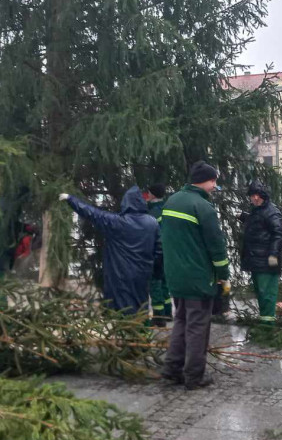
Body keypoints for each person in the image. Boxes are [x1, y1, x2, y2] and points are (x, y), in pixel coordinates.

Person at [160, 161, 228, 390]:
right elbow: (216, 246)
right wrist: (223, 275)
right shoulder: (202, 207)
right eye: (213, 181)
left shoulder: (172, 201)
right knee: (198, 327)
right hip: (198, 279)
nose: (215, 186)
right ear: (206, 181)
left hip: (176, 277)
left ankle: (172, 369)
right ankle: (194, 376)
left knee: (181, 321)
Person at [60, 186, 161, 313]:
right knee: (141, 304)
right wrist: (152, 268)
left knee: (123, 309)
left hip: (120, 275)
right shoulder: (152, 223)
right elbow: (159, 250)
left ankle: (127, 330)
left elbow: (91, 213)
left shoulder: (116, 222)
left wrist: (70, 199)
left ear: (126, 202)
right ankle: (141, 329)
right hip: (142, 273)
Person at [240, 180, 282, 324]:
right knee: (261, 293)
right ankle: (264, 323)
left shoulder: (272, 212)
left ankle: (268, 327)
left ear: (263, 195)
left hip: (266, 261)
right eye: (252, 195)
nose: (255, 198)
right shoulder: (257, 211)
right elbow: (258, 224)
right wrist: (244, 218)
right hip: (256, 261)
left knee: (267, 295)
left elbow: (278, 234)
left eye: (257, 195)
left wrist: (273, 254)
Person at [144, 184, 172, 324]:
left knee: (155, 285)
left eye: (148, 193)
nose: (147, 195)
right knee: (164, 283)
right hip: (167, 252)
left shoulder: (153, 212)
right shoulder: (166, 208)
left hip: (156, 253)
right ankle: (167, 313)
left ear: (153, 195)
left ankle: (159, 317)